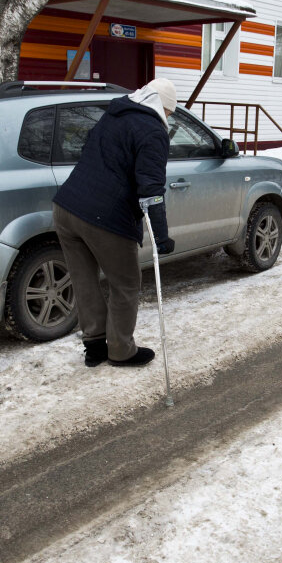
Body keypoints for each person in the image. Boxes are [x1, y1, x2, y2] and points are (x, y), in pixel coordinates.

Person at [52, 78, 177, 368]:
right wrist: (161, 236)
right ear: (161, 106)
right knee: (126, 283)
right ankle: (121, 350)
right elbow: (151, 191)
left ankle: (95, 346)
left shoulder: (113, 114)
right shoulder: (153, 131)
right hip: (105, 217)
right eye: (169, 112)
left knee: (85, 280)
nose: (168, 118)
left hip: (66, 207)